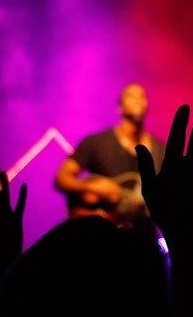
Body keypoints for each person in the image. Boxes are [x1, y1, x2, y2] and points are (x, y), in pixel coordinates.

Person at [54, 83, 165, 226]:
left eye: (142, 96)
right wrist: (93, 188)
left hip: (143, 233)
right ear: (120, 107)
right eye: (131, 96)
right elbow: (61, 178)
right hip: (103, 230)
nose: (138, 100)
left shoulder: (160, 150)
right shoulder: (96, 142)